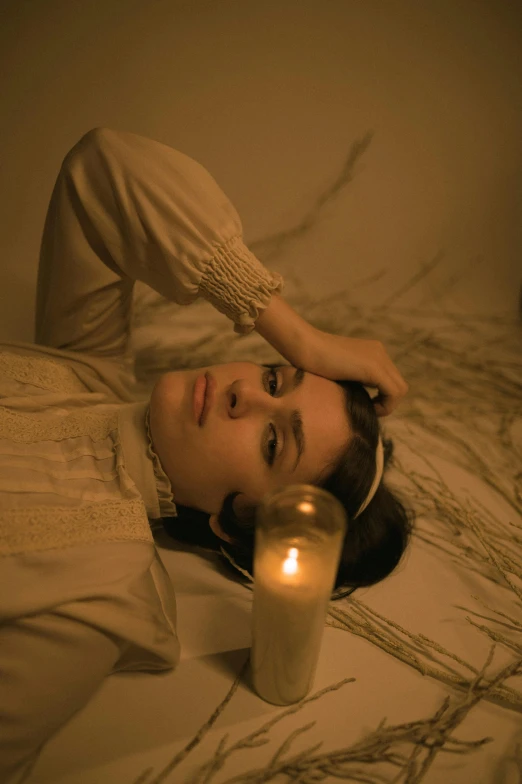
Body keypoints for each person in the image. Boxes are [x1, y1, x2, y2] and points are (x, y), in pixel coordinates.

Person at [0, 127, 409, 782]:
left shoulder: (100, 595)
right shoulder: (87, 371)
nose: (246, 393)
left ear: (233, 521)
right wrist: (298, 331)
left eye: (274, 441)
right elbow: (103, 167)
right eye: (278, 376)